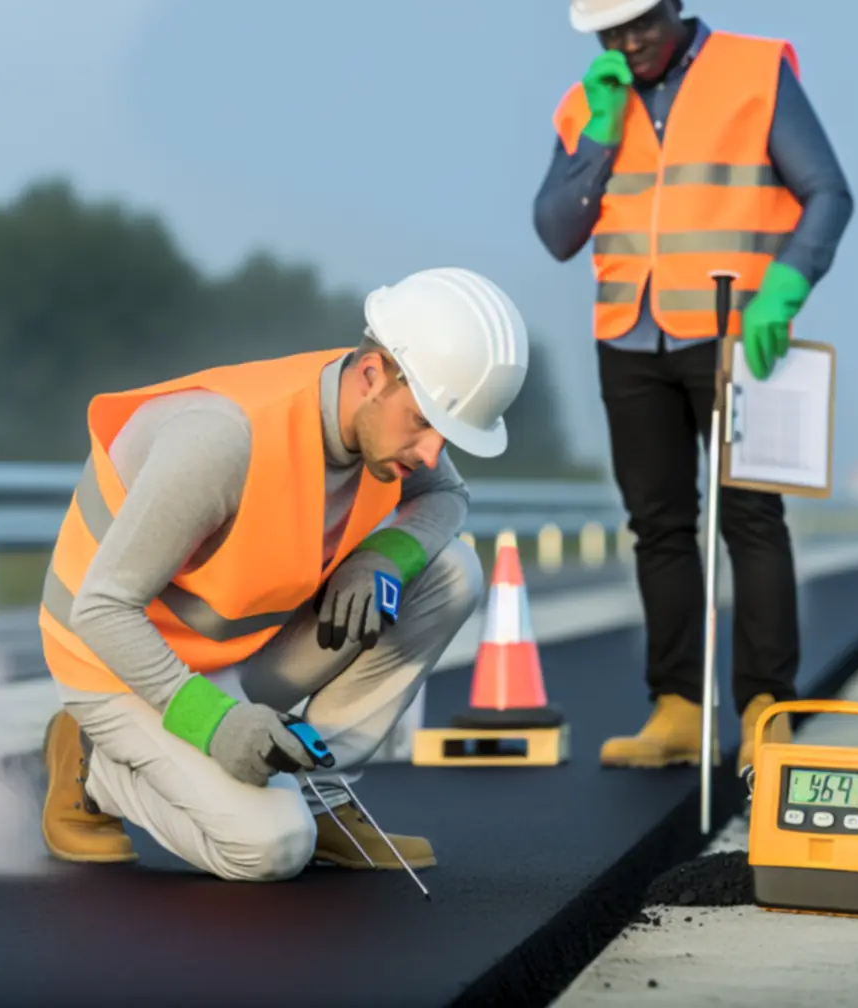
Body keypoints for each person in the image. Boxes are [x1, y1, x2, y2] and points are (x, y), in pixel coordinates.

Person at [39, 266, 530, 881]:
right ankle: (95, 763)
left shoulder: (380, 418)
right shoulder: (222, 441)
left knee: (452, 572)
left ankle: (322, 793)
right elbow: (101, 610)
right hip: (117, 666)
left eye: (446, 435)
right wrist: (214, 723)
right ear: (372, 374)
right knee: (272, 848)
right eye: (425, 423)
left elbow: (447, 497)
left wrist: (383, 558)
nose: (432, 453)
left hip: (234, 651)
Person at [533, 0, 854, 774]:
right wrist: (600, 134)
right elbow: (557, 232)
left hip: (740, 334)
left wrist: (787, 285)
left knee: (752, 519)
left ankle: (768, 707)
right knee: (659, 526)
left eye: (640, 23)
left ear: (673, 0)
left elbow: (827, 193)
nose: (629, 43)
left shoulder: (754, 72)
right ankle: (677, 708)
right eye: (610, 32)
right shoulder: (586, 104)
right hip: (629, 335)